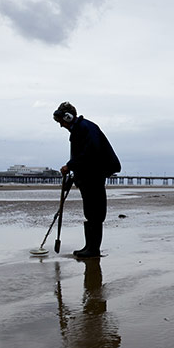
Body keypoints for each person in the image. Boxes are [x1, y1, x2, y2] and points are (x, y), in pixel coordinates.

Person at [53, 101, 121, 258]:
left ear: (68, 117)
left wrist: (69, 165)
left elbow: (90, 152)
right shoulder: (81, 128)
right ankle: (90, 247)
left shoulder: (86, 128)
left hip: (94, 176)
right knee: (91, 213)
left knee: (95, 213)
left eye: (61, 121)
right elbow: (83, 156)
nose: (61, 125)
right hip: (90, 175)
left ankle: (93, 249)